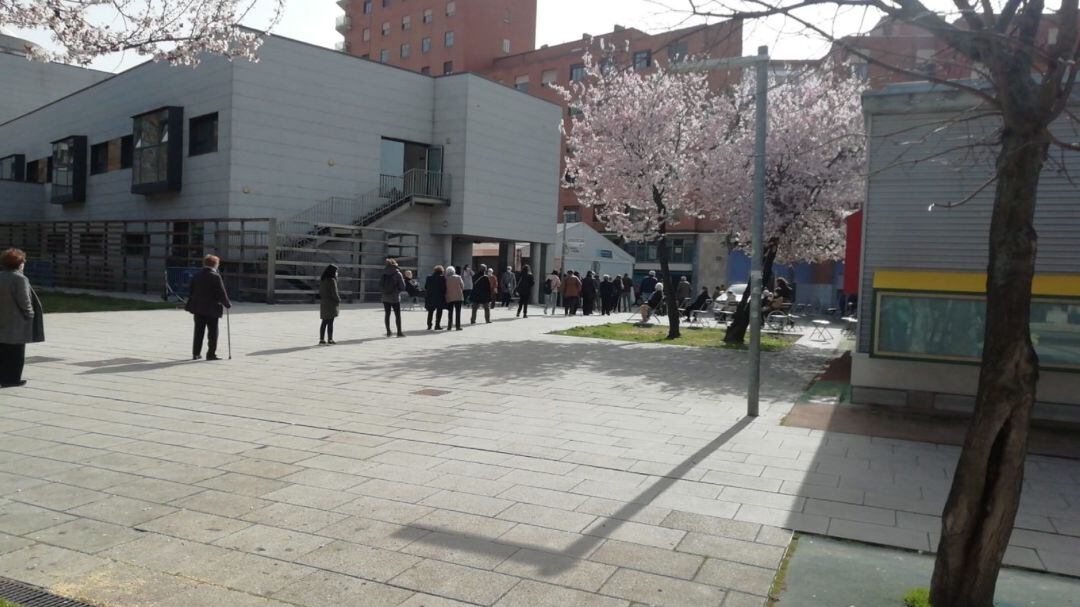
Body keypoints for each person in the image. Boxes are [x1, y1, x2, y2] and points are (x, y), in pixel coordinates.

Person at [0, 249, 44, 388]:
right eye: (23, 262)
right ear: (19, 264)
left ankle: (3, 377)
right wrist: (30, 315)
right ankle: (13, 379)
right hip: (17, 320)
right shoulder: (20, 279)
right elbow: (25, 301)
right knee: (17, 352)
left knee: (3, 351)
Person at [185, 254, 232, 360]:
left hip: (198, 308)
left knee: (198, 331)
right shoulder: (215, 276)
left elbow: (191, 290)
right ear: (215, 264)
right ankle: (211, 354)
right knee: (213, 333)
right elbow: (221, 292)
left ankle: (196, 353)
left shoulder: (196, 275)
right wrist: (227, 304)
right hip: (212, 308)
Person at [380, 258, 406, 337]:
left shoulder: (383, 273)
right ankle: (399, 332)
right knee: (397, 315)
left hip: (385, 296)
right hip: (395, 297)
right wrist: (397, 291)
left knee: (387, 314)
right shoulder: (398, 273)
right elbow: (403, 287)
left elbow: (380, 285)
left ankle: (388, 331)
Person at [319, 264, 341, 344]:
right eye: (336, 271)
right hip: (331, 303)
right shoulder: (332, 280)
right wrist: (338, 300)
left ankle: (321, 339)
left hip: (324, 302)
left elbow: (320, 292)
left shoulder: (323, 279)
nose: (337, 273)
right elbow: (334, 293)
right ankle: (330, 339)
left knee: (324, 321)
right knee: (330, 322)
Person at [424, 265, 447, 330]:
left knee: (430, 312)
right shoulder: (442, 278)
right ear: (441, 271)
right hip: (439, 297)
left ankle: (429, 325)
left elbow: (426, 287)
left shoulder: (429, 277)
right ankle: (437, 325)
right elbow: (444, 289)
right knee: (439, 311)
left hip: (430, 297)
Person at [444, 266, 465, 330]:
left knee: (450, 312)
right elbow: (462, 286)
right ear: (454, 271)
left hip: (449, 297)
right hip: (458, 297)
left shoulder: (445, 279)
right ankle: (458, 326)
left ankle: (449, 326)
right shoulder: (458, 277)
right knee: (458, 312)